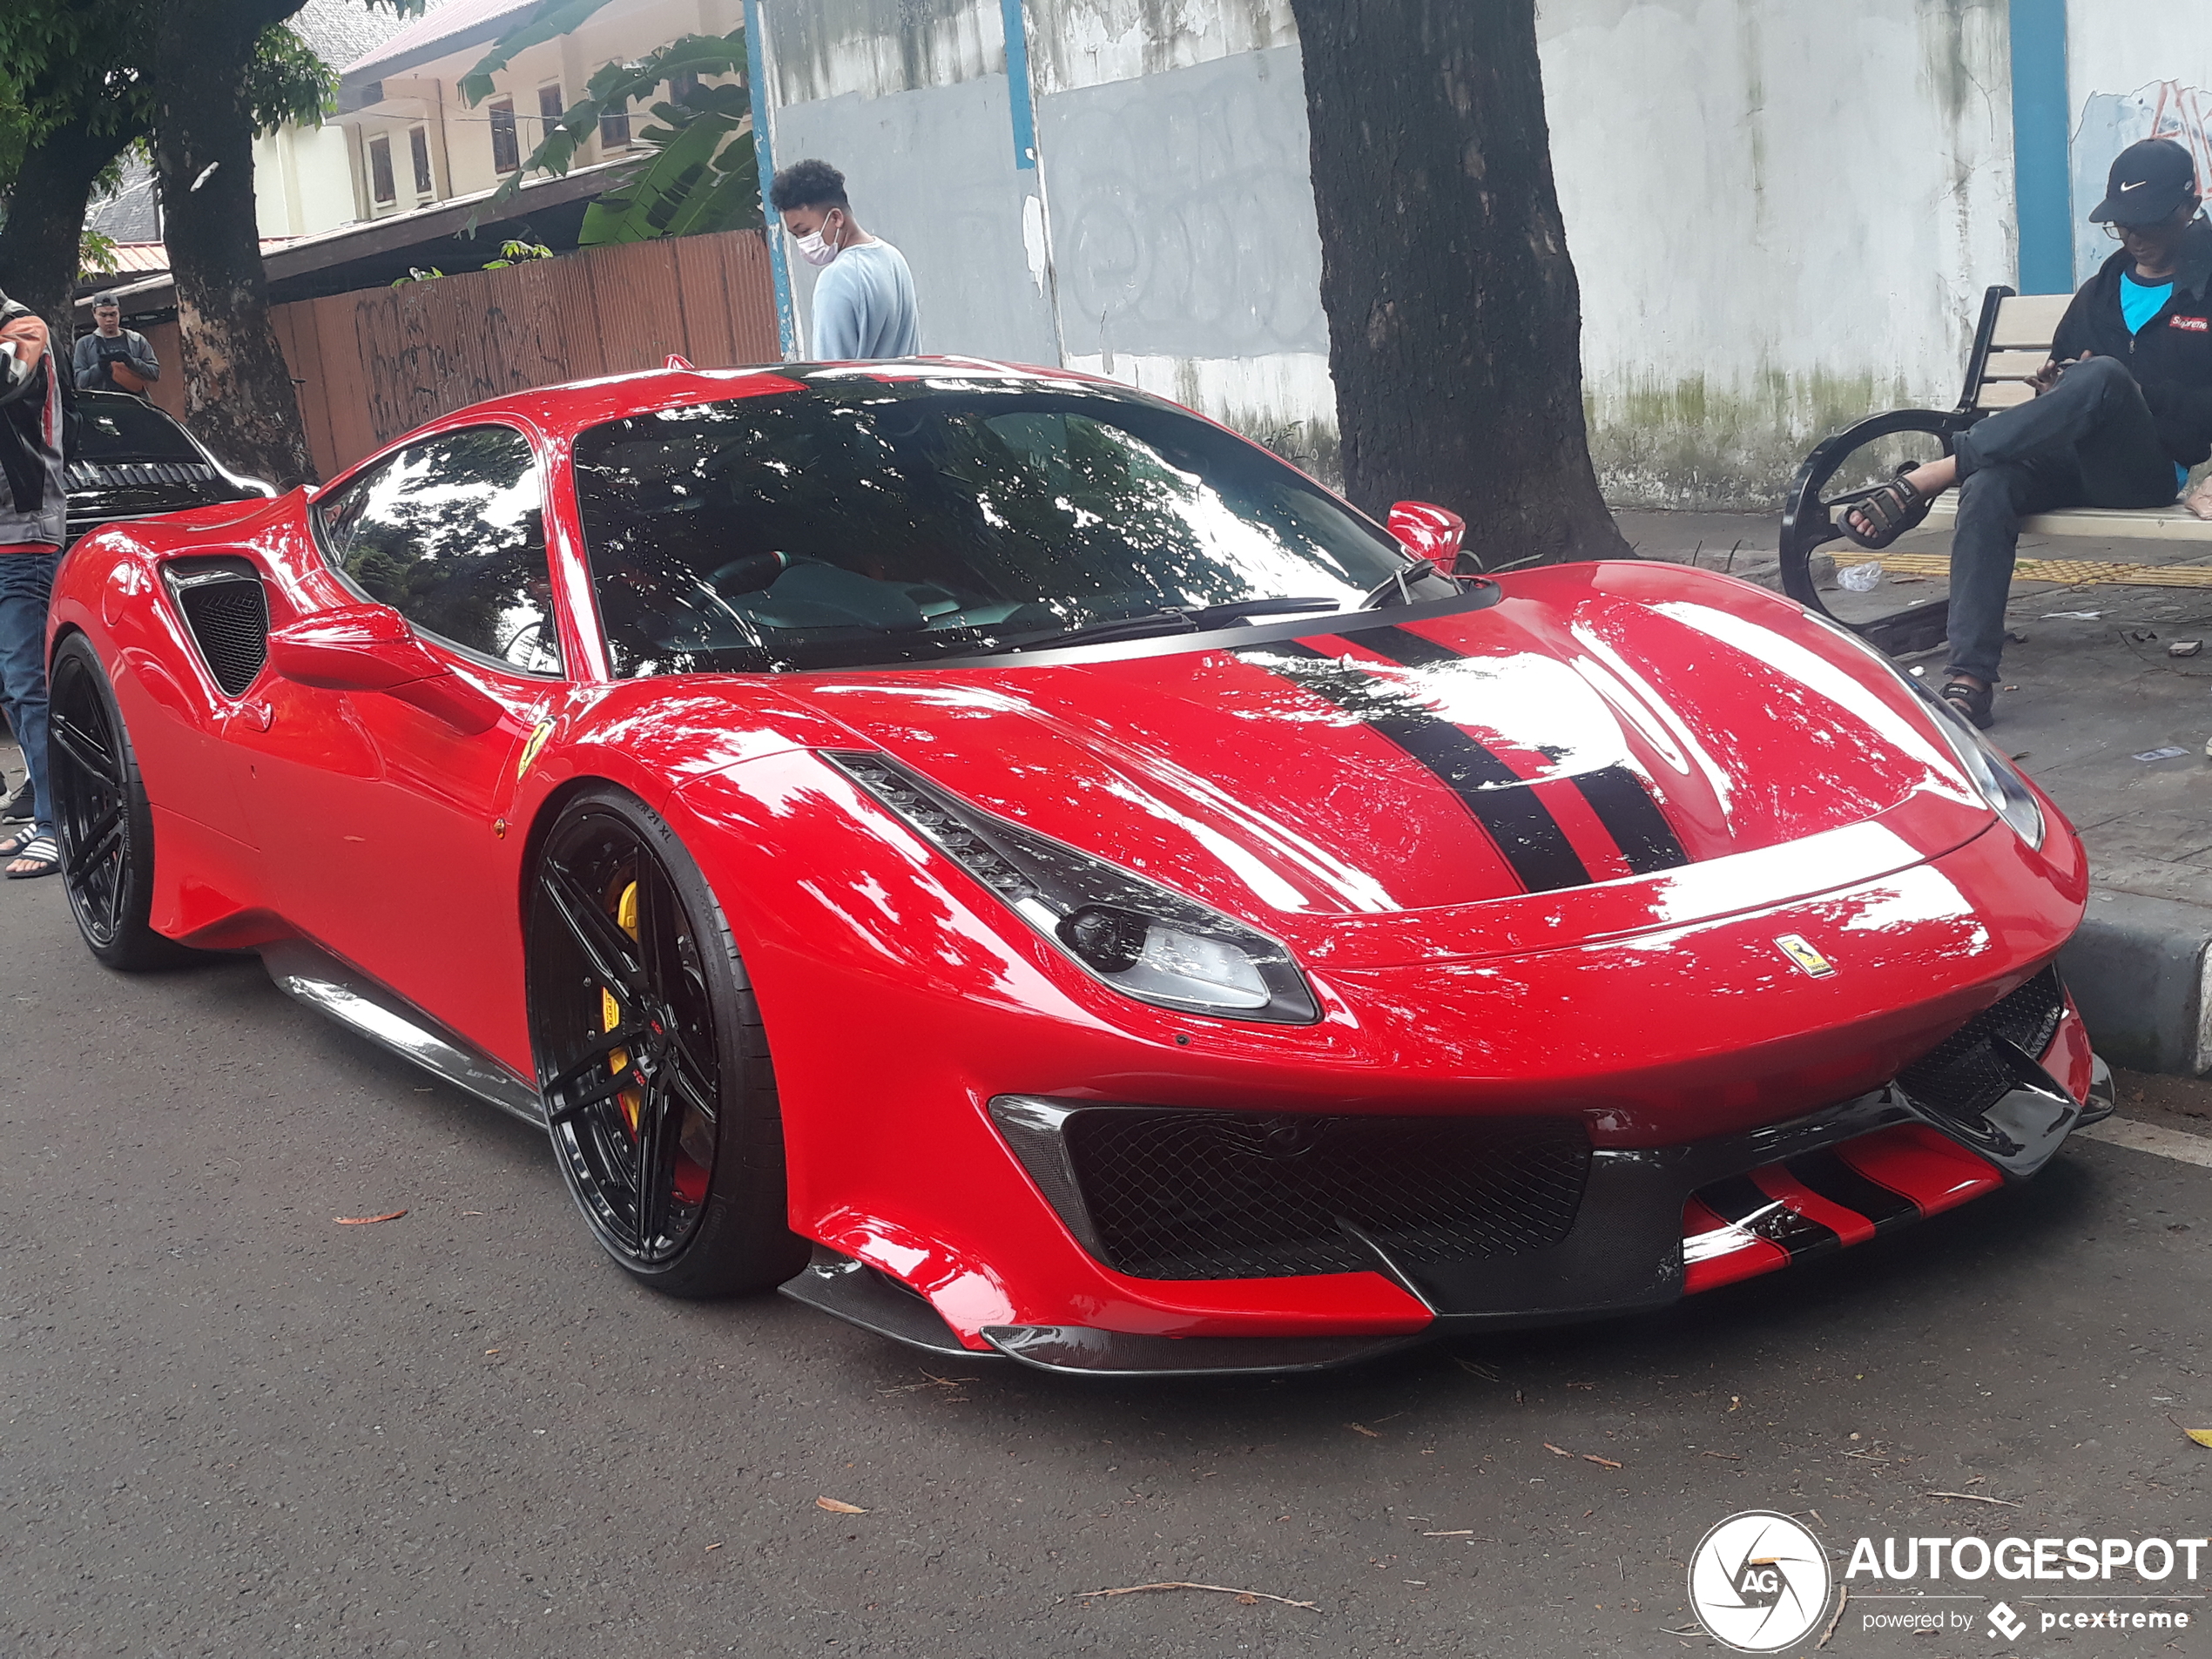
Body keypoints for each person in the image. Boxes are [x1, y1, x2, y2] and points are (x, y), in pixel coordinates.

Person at [1839, 137, 2212, 729]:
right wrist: (2058, 386)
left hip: (2147, 470)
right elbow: (2070, 371)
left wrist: (2126, 395)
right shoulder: (2102, 290)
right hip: (2069, 457)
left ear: (2187, 209)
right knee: (1990, 485)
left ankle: (1935, 474)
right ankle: (1969, 678)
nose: (2134, 235)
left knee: (2108, 378)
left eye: (2147, 221)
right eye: (2122, 223)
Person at [0, 290, 65, 877]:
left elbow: (6, 377)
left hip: (25, 530)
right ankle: (43, 807)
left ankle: (58, 825)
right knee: (12, 686)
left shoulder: (23, 328)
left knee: (30, 685)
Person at [768, 158, 920, 360]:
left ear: (836, 218)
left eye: (805, 231)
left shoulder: (836, 280)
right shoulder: (894, 258)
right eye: (796, 236)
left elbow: (832, 377)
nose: (803, 244)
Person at [71, 294, 160, 396]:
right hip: (101, 406)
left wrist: (131, 361)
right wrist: (101, 367)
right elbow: (79, 382)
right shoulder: (84, 344)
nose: (109, 319)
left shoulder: (136, 340)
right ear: (94, 314)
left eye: (113, 314)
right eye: (103, 315)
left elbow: (155, 373)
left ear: (119, 312)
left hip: (135, 404)